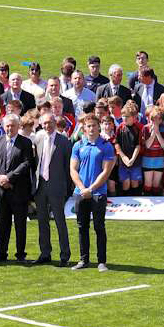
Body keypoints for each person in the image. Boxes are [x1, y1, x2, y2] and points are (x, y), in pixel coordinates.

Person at [69, 114, 117, 271]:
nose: (91, 129)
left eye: (94, 126)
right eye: (88, 126)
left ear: (99, 127)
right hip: (80, 193)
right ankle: (84, 260)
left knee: (99, 227)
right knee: (82, 227)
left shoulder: (106, 146)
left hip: (98, 193)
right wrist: (82, 189)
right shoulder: (77, 145)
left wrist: (91, 189)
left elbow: (106, 172)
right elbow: (73, 169)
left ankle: (101, 261)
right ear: (84, 128)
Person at [29, 112, 70, 264]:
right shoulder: (38, 138)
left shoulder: (64, 141)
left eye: (50, 122)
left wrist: (67, 189)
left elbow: (68, 168)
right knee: (42, 221)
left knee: (60, 221)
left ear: (55, 122)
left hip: (57, 187)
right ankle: (45, 253)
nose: (47, 126)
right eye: (44, 123)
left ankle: (65, 255)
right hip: (40, 187)